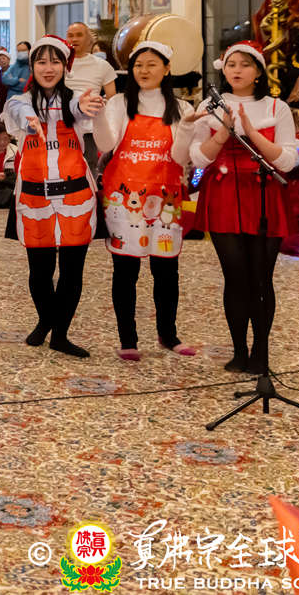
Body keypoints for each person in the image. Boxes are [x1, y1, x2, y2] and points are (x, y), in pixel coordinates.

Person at [190, 41, 299, 375]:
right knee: (235, 277)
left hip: (264, 193)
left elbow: (288, 161)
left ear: (259, 72)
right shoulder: (210, 105)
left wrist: (251, 132)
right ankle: (239, 350)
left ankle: (260, 351)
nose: (236, 70)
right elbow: (198, 159)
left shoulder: (277, 107)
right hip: (224, 194)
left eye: (245, 64)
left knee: (261, 278)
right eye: (231, 64)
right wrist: (223, 134)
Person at [93, 41, 197, 362]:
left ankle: (168, 334)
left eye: (152, 64)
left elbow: (180, 157)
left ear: (167, 68)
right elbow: (106, 143)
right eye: (138, 65)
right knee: (125, 271)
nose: (144, 70)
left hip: (166, 199)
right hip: (124, 200)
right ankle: (128, 339)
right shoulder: (119, 103)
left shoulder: (183, 109)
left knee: (166, 270)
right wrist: (98, 115)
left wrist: (187, 130)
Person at [5, 35, 104, 358]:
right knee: (39, 271)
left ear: (65, 66)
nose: (48, 68)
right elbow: (18, 111)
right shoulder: (19, 101)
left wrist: (84, 106)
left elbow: (76, 108)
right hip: (34, 198)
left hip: (77, 196)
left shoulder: (76, 100)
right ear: (32, 66)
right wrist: (30, 118)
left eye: (55, 61)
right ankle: (45, 320)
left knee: (72, 271)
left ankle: (60, 334)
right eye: (41, 61)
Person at [63, 22, 117, 170]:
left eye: (79, 35)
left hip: (89, 127)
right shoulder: (59, 63)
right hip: (62, 124)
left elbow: (112, 99)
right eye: (70, 35)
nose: (74, 39)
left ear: (89, 39)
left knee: (88, 167)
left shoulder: (102, 65)